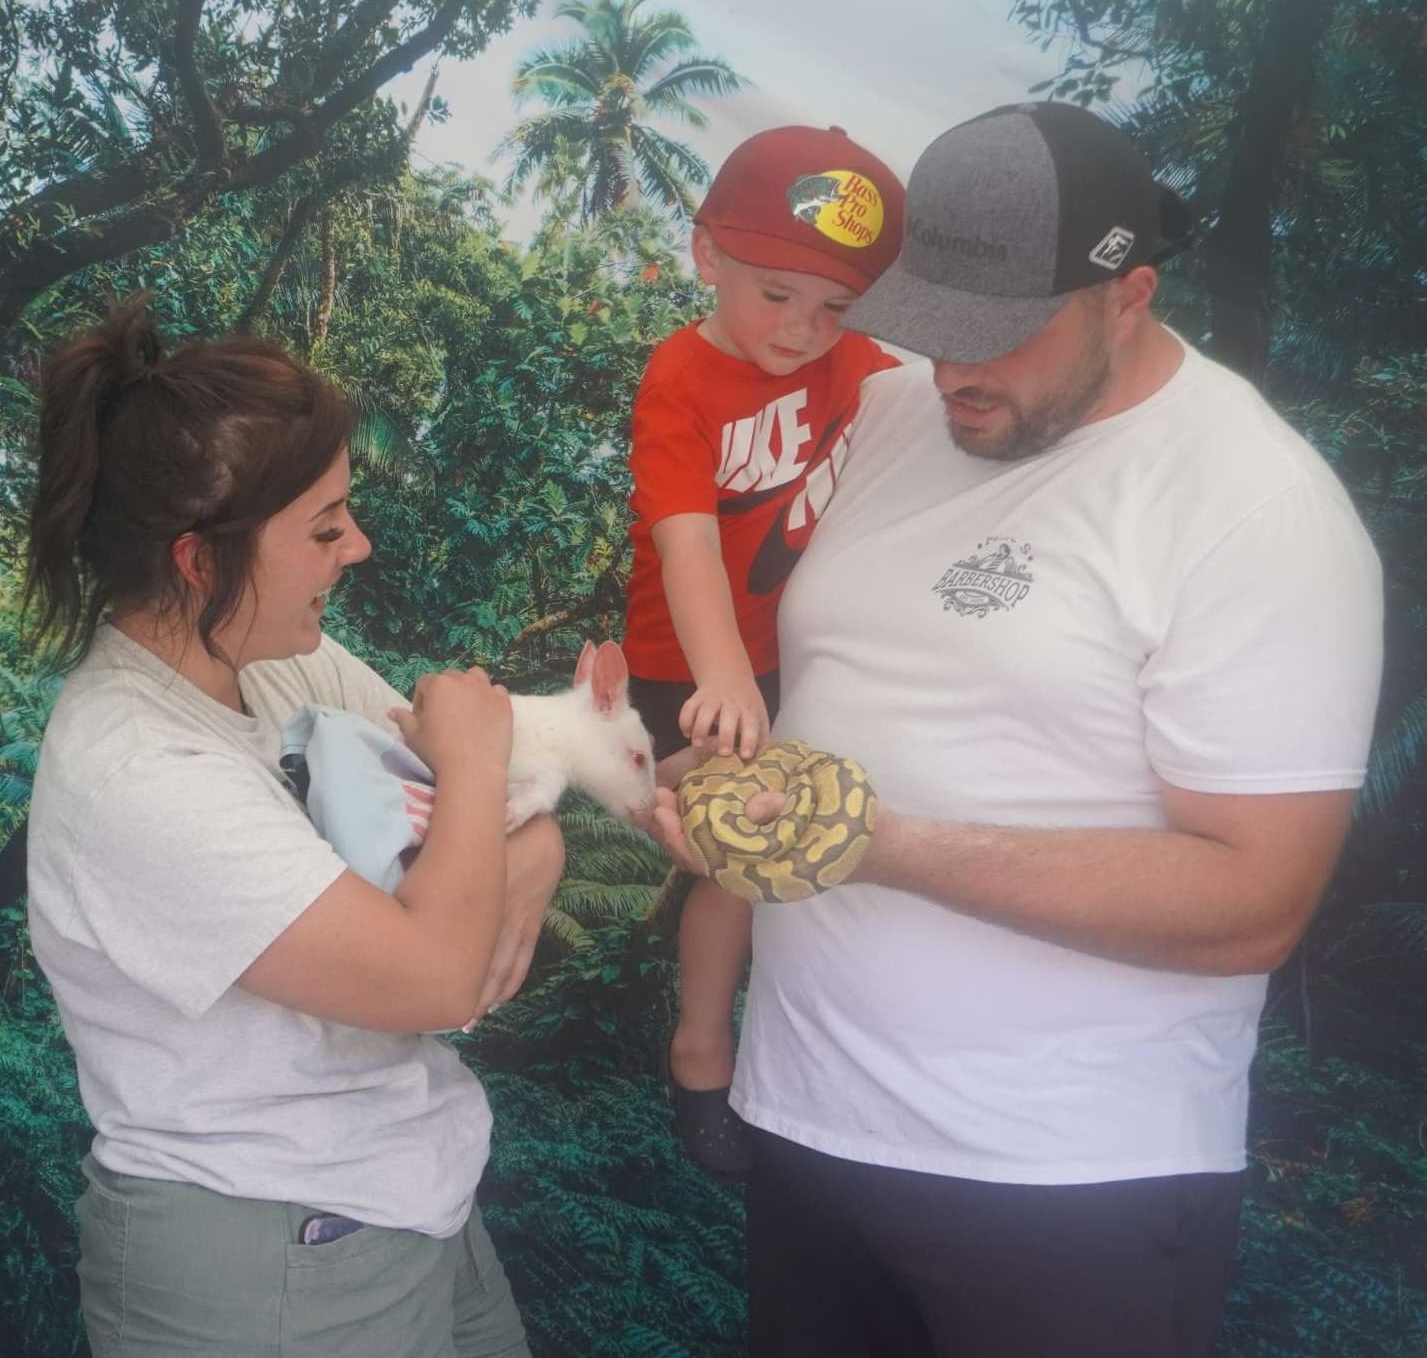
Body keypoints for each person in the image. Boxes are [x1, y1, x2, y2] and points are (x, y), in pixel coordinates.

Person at [652, 102, 1384, 1355]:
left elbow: (1253, 901)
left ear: (1127, 293)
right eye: (930, 329)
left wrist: (868, 842)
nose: (951, 373)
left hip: (1066, 1181)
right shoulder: (888, 416)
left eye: (995, 337)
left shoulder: (1252, 507)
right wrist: (702, 780)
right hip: (804, 1120)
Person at [23, 297, 564, 1357]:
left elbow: (499, 829)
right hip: (262, 1250)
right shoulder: (135, 770)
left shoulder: (279, 662)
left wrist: (531, 851)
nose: (355, 546)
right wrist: (478, 768)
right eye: (323, 527)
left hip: (408, 1198)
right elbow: (435, 974)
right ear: (198, 560)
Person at [621, 125, 905, 1176]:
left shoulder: (862, 367)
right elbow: (685, 535)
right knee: (737, 862)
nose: (801, 330)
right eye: (776, 294)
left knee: (817, 840)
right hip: (688, 666)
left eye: (833, 307)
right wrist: (721, 672)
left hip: (802, 654)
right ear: (706, 255)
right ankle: (700, 1047)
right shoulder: (681, 378)